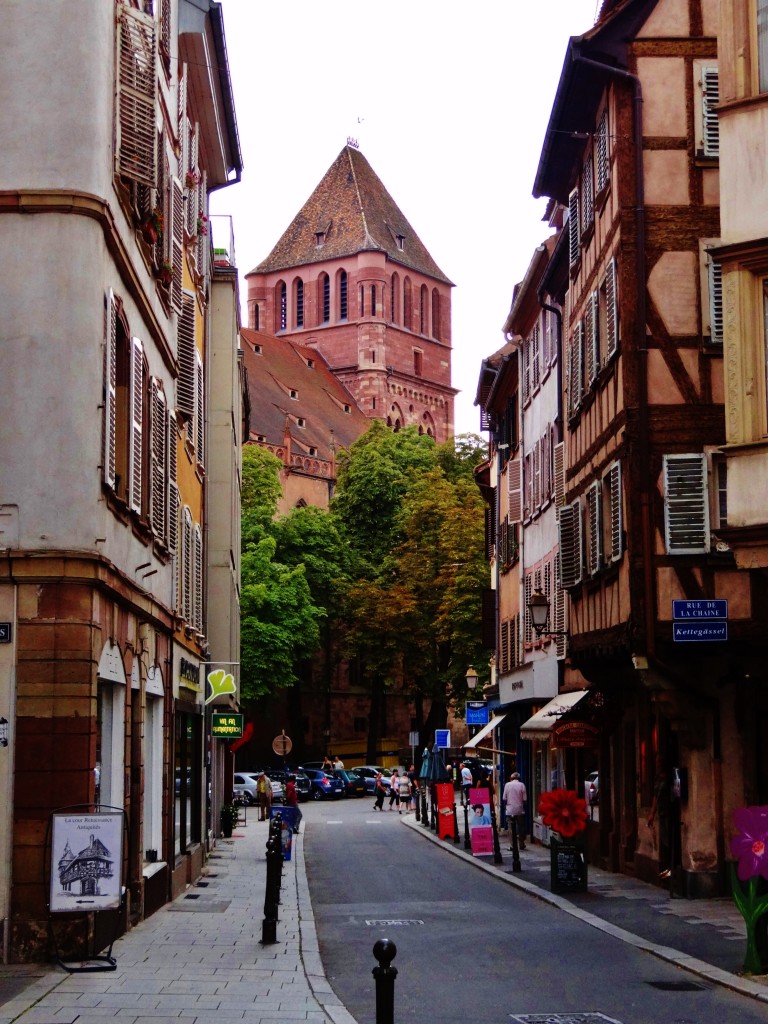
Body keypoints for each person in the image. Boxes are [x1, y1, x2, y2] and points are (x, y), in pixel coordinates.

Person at [502, 771, 527, 849]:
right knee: (521, 827)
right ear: (518, 778)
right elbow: (525, 799)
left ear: (511, 778)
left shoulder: (507, 785)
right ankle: (521, 844)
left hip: (510, 810)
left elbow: (504, 798)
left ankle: (512, 845)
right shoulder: (522, 785)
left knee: (510, 827)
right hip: (519, 809)